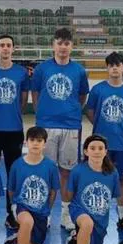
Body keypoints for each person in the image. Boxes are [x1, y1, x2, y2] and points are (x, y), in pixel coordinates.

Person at [30, 27, 89, 231]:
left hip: (71, 126)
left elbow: (82, 96)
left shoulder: (79, 71)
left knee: (67, 173)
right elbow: (35, 93)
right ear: (53, 45)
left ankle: (65, 214)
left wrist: (70, 111)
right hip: (46, 125)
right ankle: (43, 214)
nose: (63, 47)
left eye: (66, 43)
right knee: (45, 171)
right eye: (59, 43)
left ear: (71, 47)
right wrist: (42, 114)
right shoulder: (41, 69)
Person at [86, 52, 123, 236]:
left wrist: (120, 127)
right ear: (107, 68)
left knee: (122, 180)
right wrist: (102, 128)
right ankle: (94, 214)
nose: (115, 68)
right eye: (111, 65)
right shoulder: (98, 90)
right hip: (101, 144)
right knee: (97, 178)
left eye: (118, 65)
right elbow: (90, 112)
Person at [0, 34, 29, 230]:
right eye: (2, 45)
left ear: (13, 49)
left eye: (9, 45)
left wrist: (13, 115)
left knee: (13, 175)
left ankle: (12, 214)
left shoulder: (21, 73)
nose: (6, 48)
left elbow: (23, 101)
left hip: (14, 131)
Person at [64, 135, 120, 244]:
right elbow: (70, 196)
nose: (97, 151)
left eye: (100, 148)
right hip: (79, 209)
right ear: (86, 151)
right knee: (87, 224)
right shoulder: (78, 171)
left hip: (101, 217)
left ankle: (75, 240)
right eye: (92, 148)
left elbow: (113, 197)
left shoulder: (112, 173)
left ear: (106, 151)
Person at [7, 127, 60, 244]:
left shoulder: (50, 166)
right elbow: (11, 190)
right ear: (26, 142)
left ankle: (20, 239)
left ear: (44, 144)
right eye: (32, 140)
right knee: (27, 221)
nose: (35, 144)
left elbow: (53, 192)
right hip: (22, 207)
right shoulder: (17, 165)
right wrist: (13, 206)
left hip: (41, 212)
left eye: (39, 141)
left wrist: (47, 210)